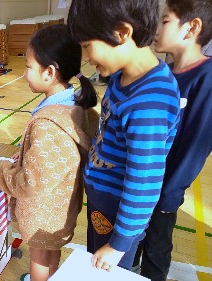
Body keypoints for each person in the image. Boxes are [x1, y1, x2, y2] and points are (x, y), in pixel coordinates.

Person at [67, 0, 181, 272]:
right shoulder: (122, 77)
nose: (86, 58)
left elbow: (143, 183)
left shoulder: (148, 104)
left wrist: (118, 244)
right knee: (93, 265)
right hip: (103, 206)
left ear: (121, 33)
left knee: (107, 272)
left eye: (87, 46)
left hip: (119, 218)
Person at [0, 24, 99, 281]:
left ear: (49, 72)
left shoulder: (46, 123)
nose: (25, 73)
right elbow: (59, 158)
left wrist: (0, 171)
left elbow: (31, 182)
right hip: (62, 206)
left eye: (28, 67)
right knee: (52, 254)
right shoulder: (77, 107)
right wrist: (28, 153)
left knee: (39, 259)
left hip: (42, 211)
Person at [132, 1, 212, 280]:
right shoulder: (161, 74)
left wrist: (169, 194)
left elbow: (196, 148)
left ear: (191, 28)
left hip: (163, 192)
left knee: (155, 248)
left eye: (164, 21)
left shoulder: (206, 78)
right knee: (134, 243)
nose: (155, 28)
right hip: (141, 187)